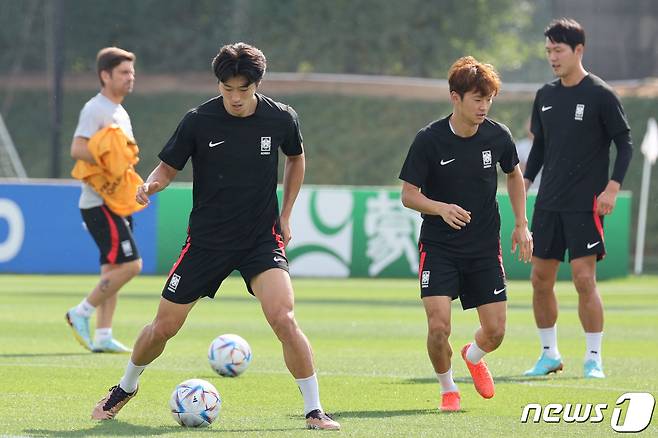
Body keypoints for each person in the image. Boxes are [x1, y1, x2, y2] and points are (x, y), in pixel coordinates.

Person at [90, 42, 340, 430]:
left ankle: (314, 410)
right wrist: (151, 186)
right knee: (163, 328)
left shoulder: (281, 118)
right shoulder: (198, 121)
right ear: (218, 84)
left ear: (256, 84)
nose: (236, 98)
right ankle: (125, 387)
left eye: (243, 89)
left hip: (261, 239)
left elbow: (296, 158)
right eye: (228, 89)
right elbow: (166, 168)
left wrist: (286, 215)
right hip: (207, 242)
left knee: (284, 319)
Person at [399, 56, 533, 412]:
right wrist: (441, 208)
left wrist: (521, 224)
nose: (484, 106)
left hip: (484, 248)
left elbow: (514, 175)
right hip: (439, 247)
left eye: (489, 98)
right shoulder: (429, 140)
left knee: (496, 332)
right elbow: (408, 194)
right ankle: (448, 388)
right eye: (477, 98)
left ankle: (473, 356)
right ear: (455, 97)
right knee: (439, 325)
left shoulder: (498, 134)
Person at [523, 18, 633, 379]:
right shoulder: (545, 95)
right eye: (549, 51)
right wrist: (524, 182)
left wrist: (612, 187)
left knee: (584, 279)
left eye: (559, 50)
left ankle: (593, 357)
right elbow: (540, 147)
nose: (553, 57)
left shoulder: (600, 94)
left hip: (585, 203)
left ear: (578, 50)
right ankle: (549, 354)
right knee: (540, 279)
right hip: (548, 202)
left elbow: (624, 143)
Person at [66, 47, 141, 354]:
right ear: (105, 75)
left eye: (131, 72)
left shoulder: (120, 112)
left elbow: (121, 162)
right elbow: (77, 148)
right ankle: (80, 312)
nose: (130, 77)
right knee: (131, 265)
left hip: (117, 201)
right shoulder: (95, 109)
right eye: (123, 72)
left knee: (112, 271)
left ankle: (103, 335)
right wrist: (105, 155)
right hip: (98, 203)